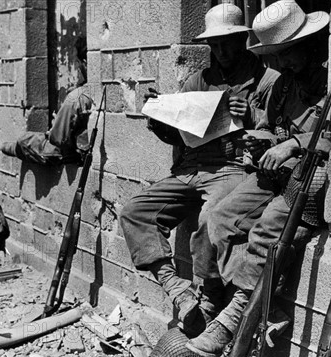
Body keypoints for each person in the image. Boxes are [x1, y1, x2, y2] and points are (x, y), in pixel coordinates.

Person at [119, 3, 279, 336]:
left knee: (211, 218)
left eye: (227, 43)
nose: (220, 51)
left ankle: (209, 297)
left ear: (241, 39)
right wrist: (160, 118)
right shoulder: (200, 79)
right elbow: (177, 132)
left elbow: (277, 132)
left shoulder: (265, 78)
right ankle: (176, 288)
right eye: (214, 45)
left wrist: (249, 116)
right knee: (135, 211)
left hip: (231, 167)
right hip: (189, 168)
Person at [187, 0, 331, 357]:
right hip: (274, 172)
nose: (282, 63)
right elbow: (270, 127)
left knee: (267, 228)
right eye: (276, 56)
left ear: (309, 44)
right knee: (218, 218)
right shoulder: (283, 85)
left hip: (310, 179)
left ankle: (237, 315)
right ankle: (255, 308)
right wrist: (264, 139)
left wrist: (294, 145)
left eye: (288, 54)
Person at [0, 37, 94, 166]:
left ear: (85, 63)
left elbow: (58, 138)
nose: (77, 67)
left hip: (71, 152)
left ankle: (16, 148)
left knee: (26, 140)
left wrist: (56, 123)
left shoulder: (77, 97)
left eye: (78, 63)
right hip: (82, 146)